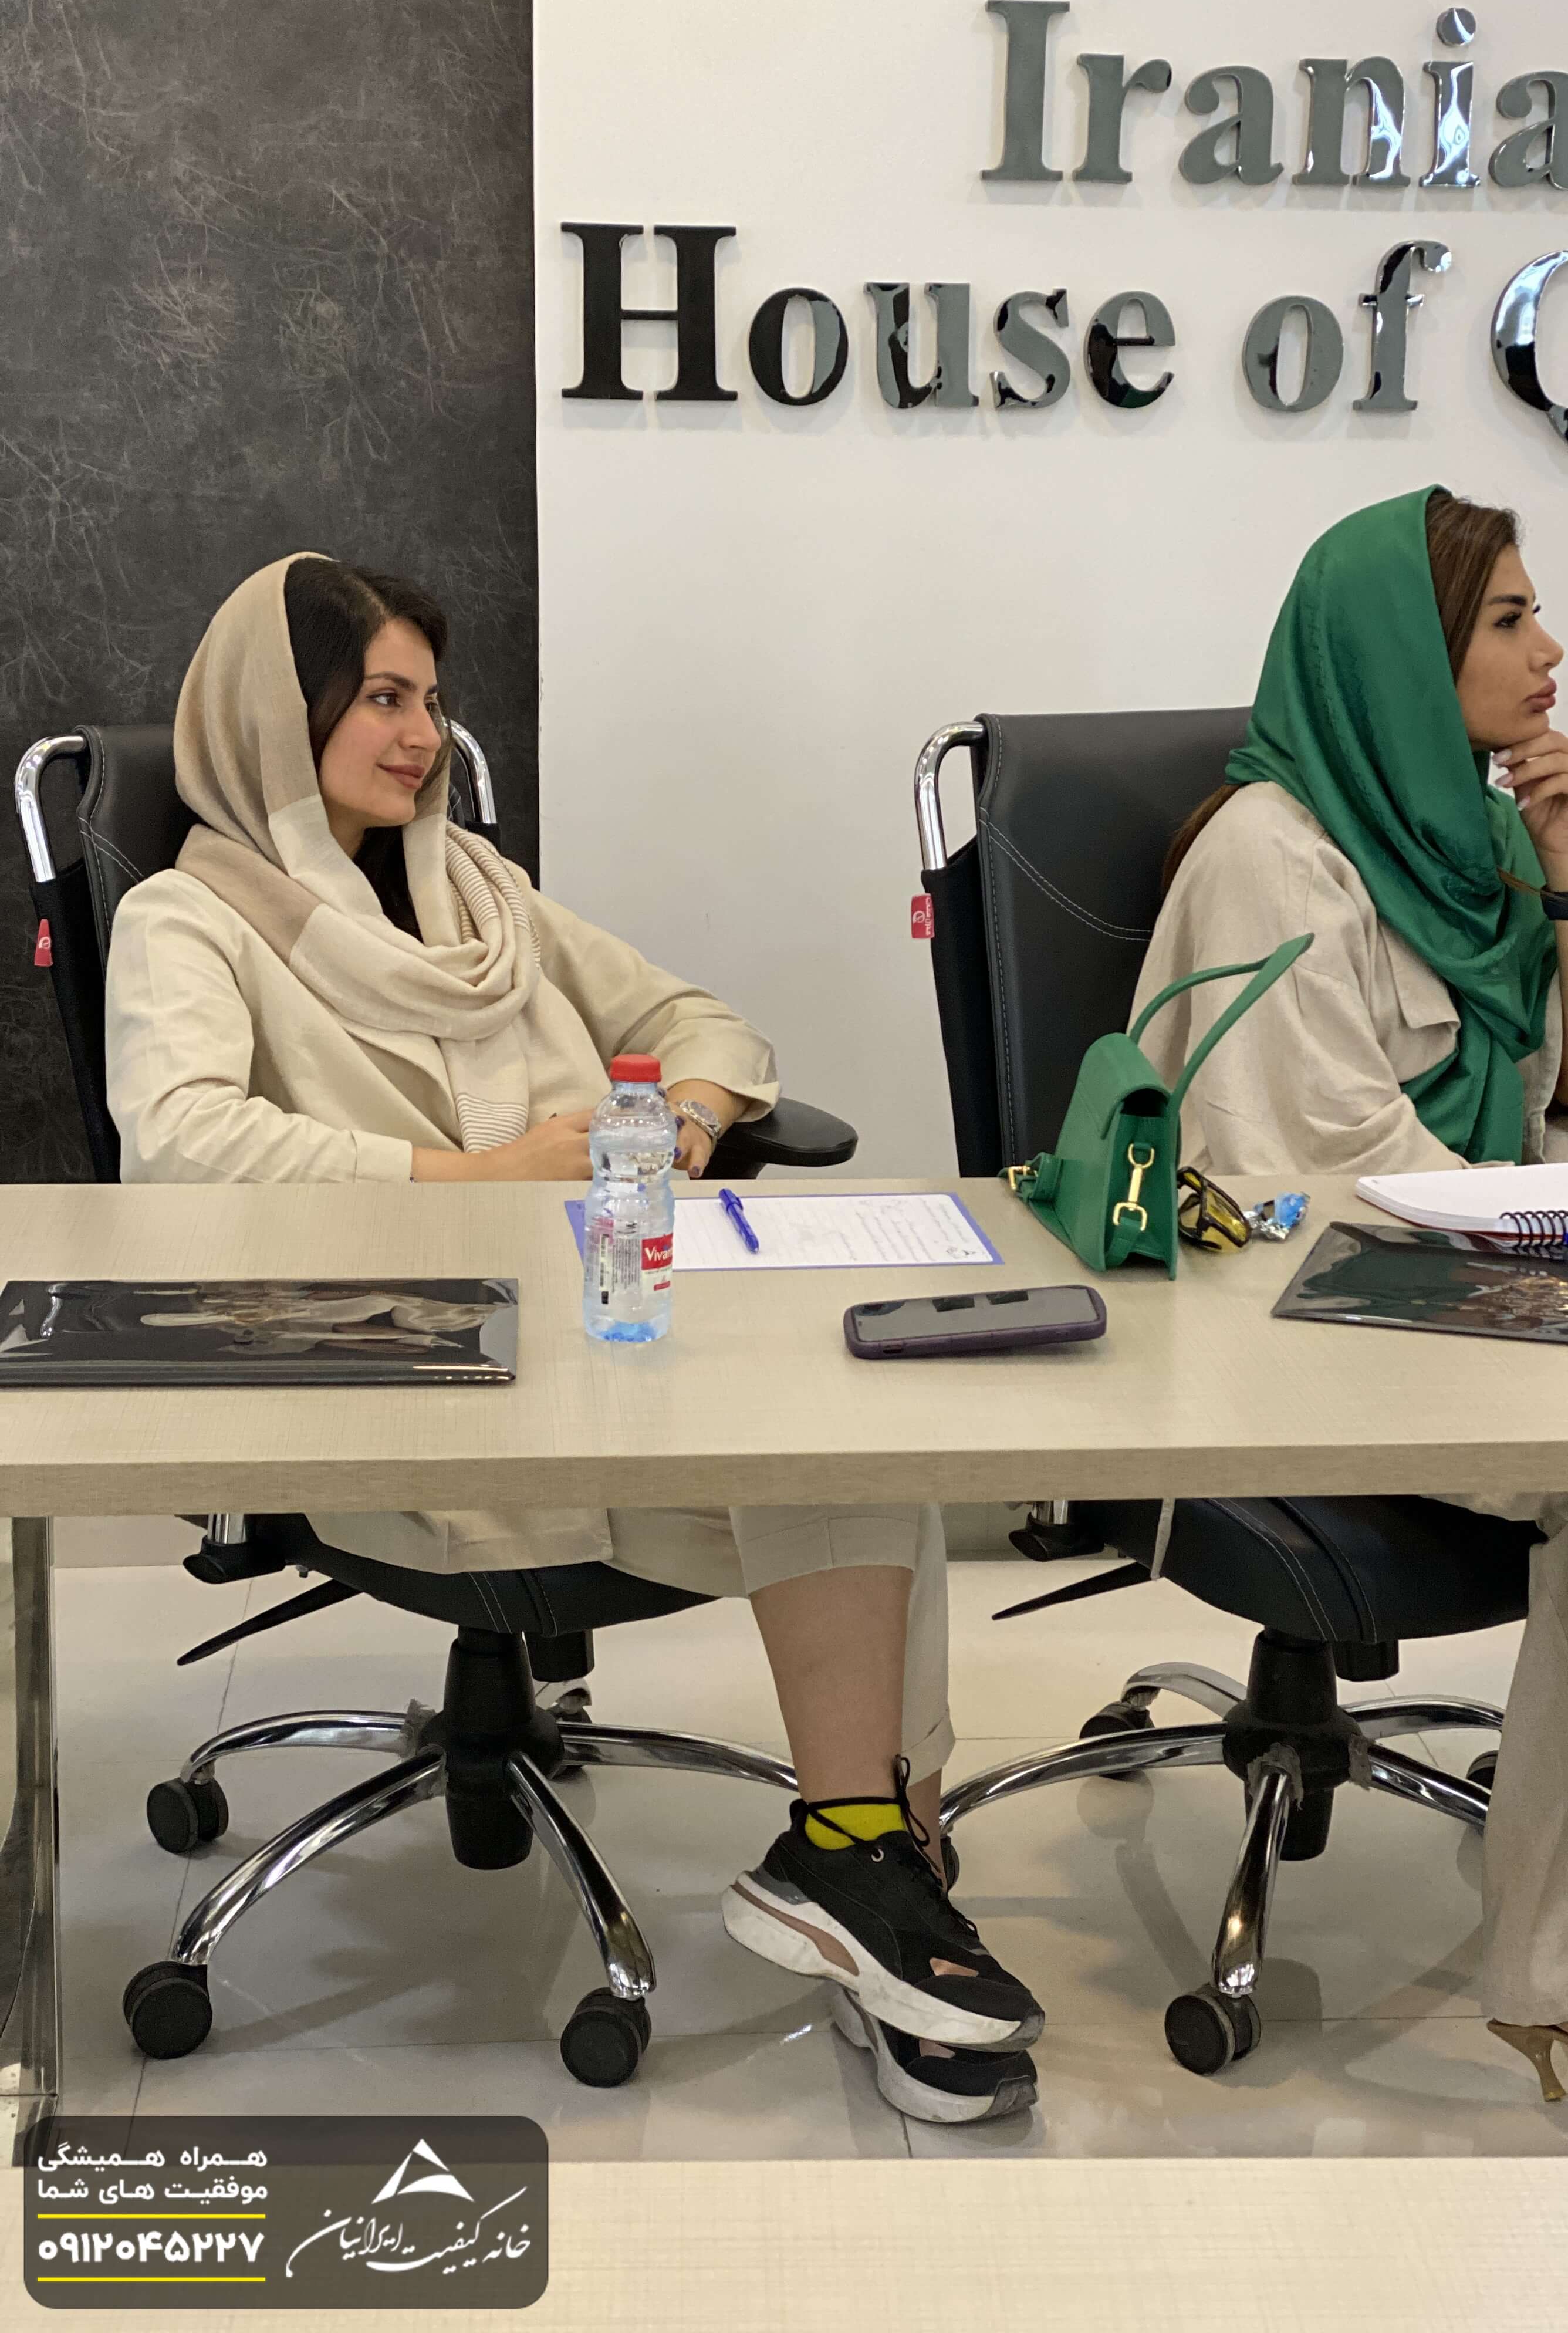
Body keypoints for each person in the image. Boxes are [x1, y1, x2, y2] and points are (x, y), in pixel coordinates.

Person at [105, 553, 1041, 2124]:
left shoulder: (484, 897)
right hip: (398, 1399)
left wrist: (681, 1121)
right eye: (382, 699)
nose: (424, 736)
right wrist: (479, 1180)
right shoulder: (184, 919)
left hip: (603, 1357)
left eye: (431, 698)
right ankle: (878, 1880)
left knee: (865, 1438)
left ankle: (879, 1871)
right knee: (839, 1481)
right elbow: (182, 1146)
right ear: (281, 714)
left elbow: (706, 1026)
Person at [1132, 487, 1568, 2099]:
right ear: (1403, 657)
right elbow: (1332, 1179)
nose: (1550, 650)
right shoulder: (1270, 859)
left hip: (1474, 1299)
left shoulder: (1476, 837)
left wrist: (1566, 867)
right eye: (1507, 620)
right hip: (1298, 1331)